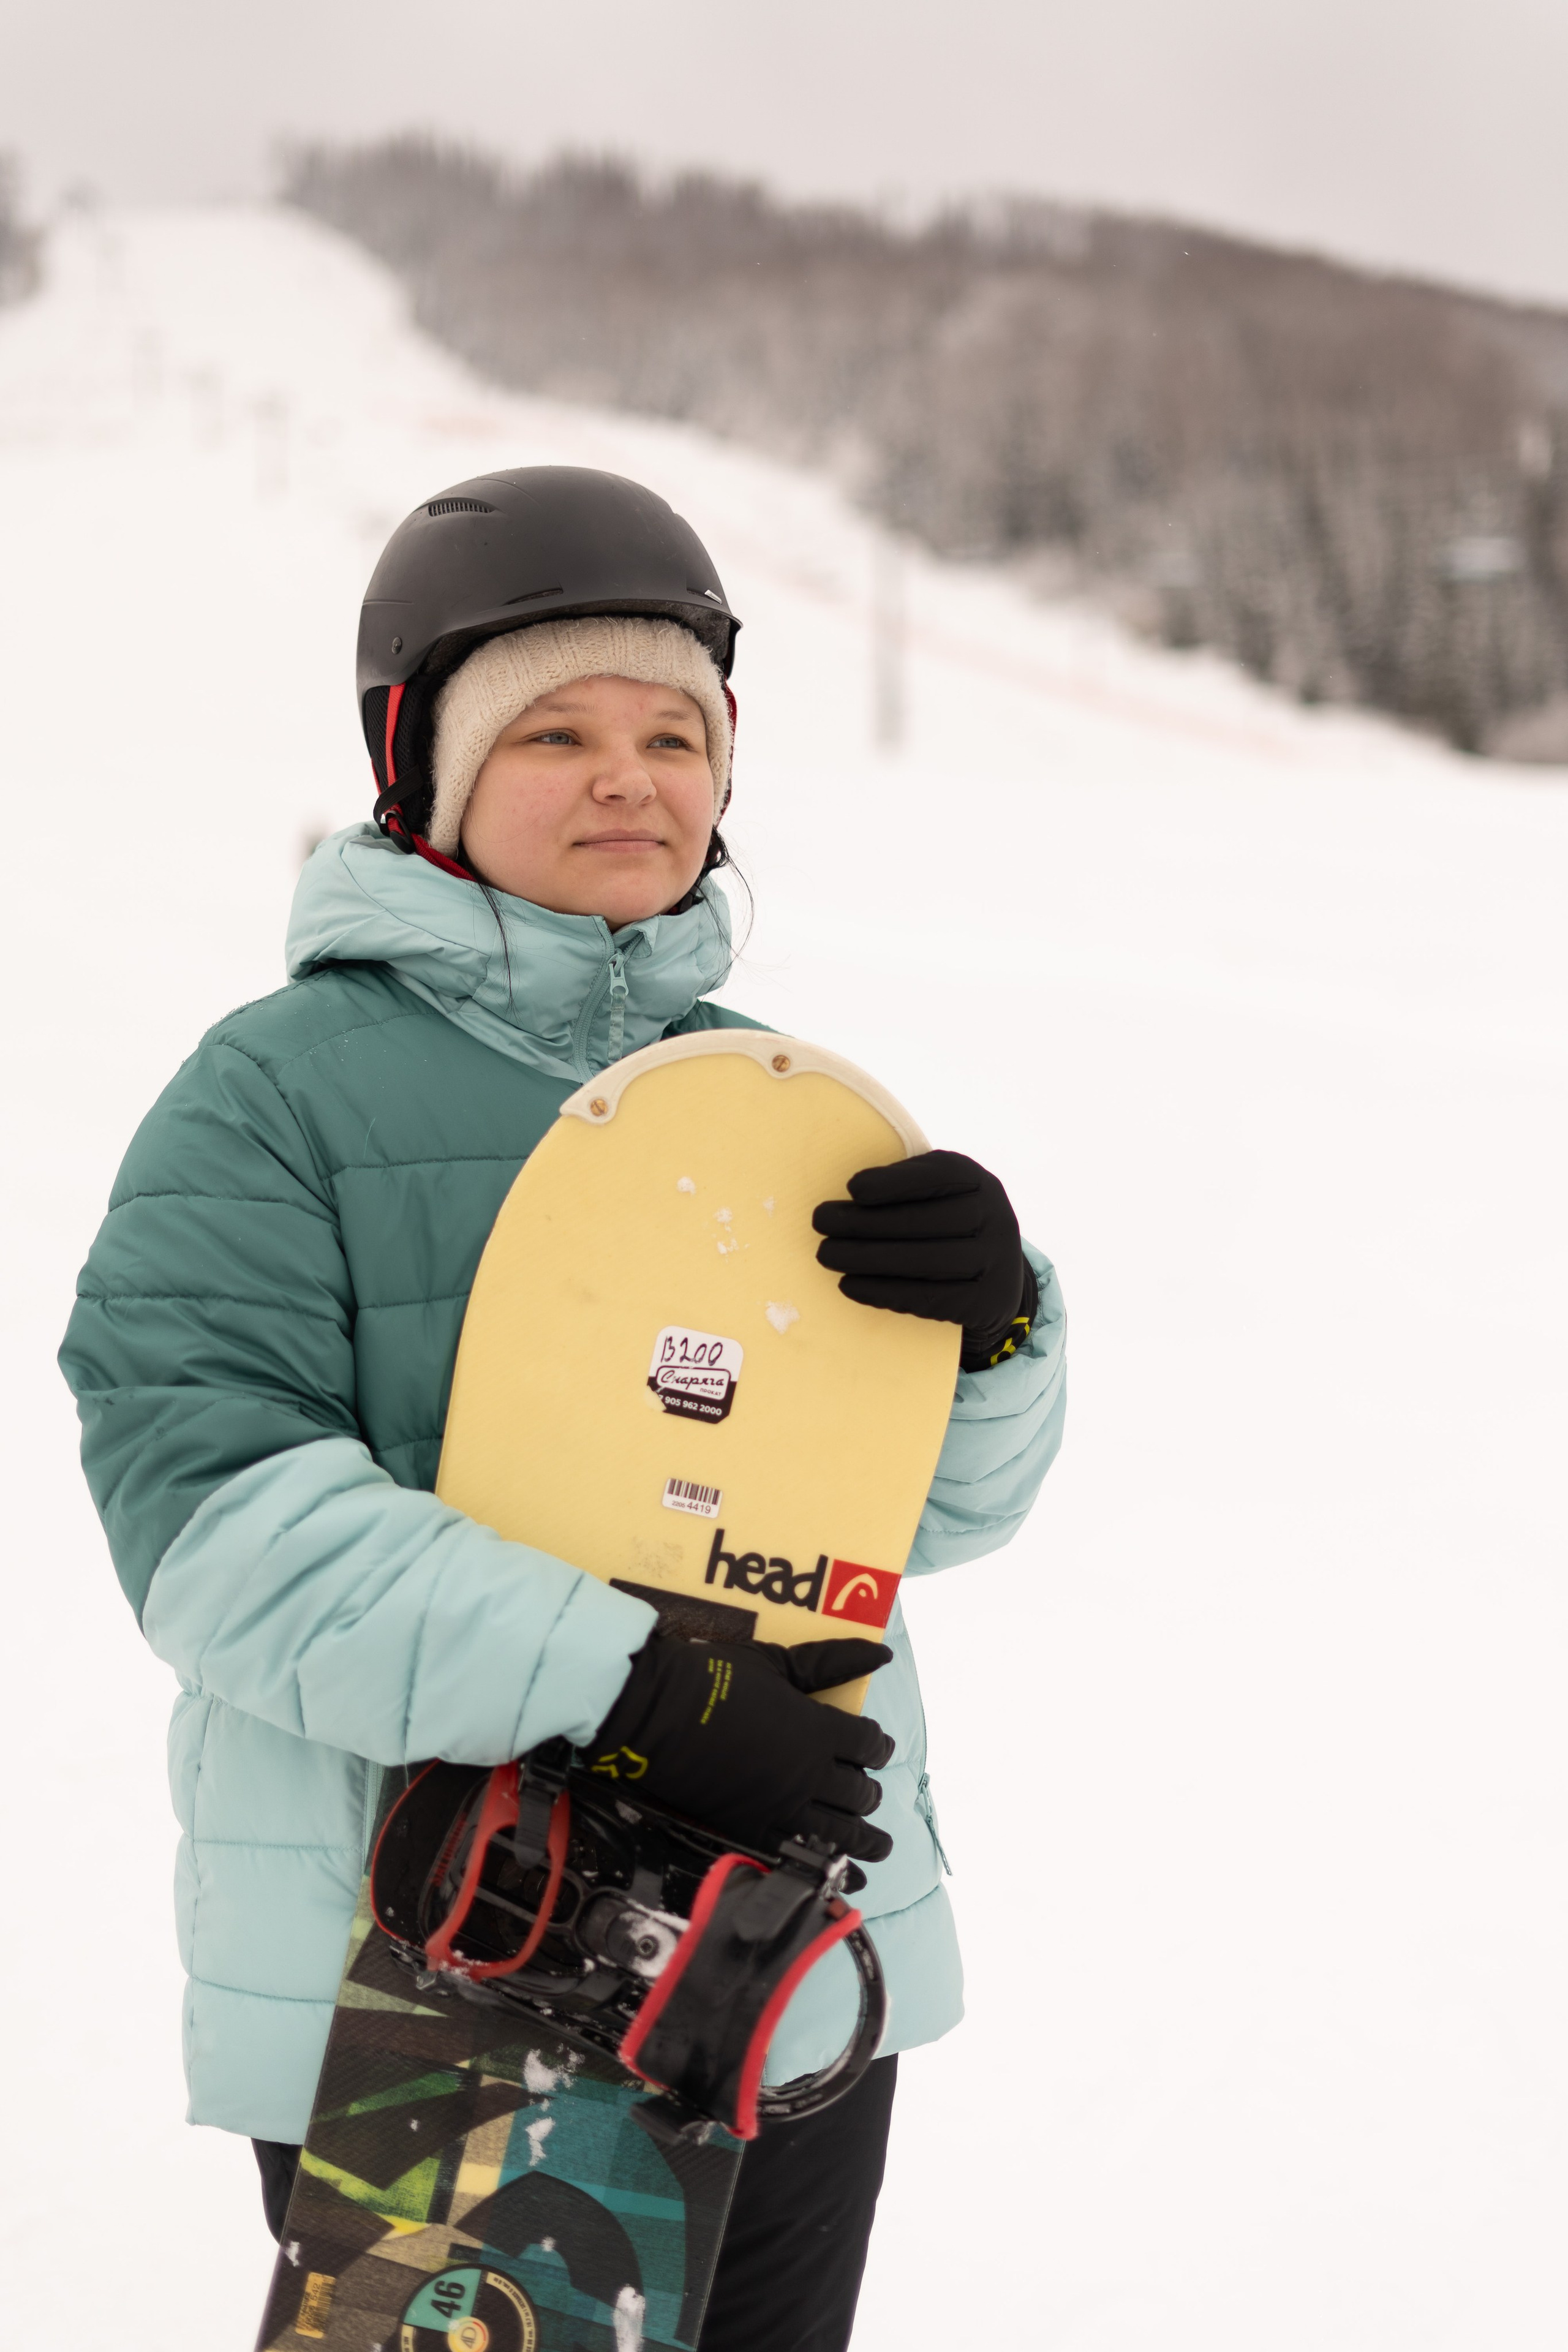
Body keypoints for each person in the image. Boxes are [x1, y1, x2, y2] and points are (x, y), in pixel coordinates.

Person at [59, 466, 1066, 2351]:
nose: (634, 777)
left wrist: (997, 1337)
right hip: (451, 1962)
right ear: (419, 775)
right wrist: (636, 1688)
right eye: (558, 730)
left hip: (778, 1948)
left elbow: (920, 1519)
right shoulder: (273, 1095)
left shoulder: (764, 1103)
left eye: (678, 732)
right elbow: (219, 1530)